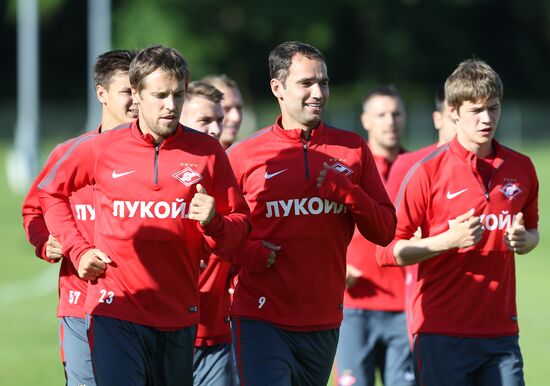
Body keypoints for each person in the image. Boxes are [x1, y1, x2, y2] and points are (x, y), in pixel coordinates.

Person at [37, 45, 250, 386]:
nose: (170, 105)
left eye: (177, 95)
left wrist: (215, 221)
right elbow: (49, 193)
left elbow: (239, 229)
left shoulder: (208, 152)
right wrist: (77, 250)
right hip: (115, 310)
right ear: (136, 94)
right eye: (160, 95)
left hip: (179, 315)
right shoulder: (101, 148)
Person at [226, 41, 396, 386]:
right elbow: (218, 235)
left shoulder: (352, 149)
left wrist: (349, 193)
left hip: (323, 320)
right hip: (259, 316)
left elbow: (385, 231)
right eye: (306, 84)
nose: (318, 93)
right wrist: (249, 253)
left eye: (324, 82)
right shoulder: (244, 155)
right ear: (278, 88)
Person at [377, 59, 539, 386]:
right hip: (440, 332)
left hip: (501, 333)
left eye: (494, 108)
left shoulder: (522, 168)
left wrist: (526, 241)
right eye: (476, 110)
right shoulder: (426, 171)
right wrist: (447, 241)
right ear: (453, 111)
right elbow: (387, 252)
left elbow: (533, 231)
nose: (487, 119)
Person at [21, 49, 138, 386]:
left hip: (139, 304)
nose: (134, 100)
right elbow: (34, 209)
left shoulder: (156, 159)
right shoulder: (68, 153)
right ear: (102, 93)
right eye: (126, 91)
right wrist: (47, 242)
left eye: (138, 90)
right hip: (78, 302)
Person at [336, 85, 414, 386]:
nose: (390, 121)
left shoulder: (419, 168)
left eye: (396, 114)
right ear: (366, 120)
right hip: (355, 305)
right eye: (381, 114)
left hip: (405, 307)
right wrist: (334, 267)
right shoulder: (347, 169)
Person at [383, 85, 457, 348]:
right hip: (419, 288)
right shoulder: (412, 165)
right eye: (454, 117)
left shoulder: (486, 168)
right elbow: (389, 232)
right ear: (439, 118)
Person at [179, 79, 235, 386]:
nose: (215, 129)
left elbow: (243, 233)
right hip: (164, 328)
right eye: (205, 121)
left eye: (219, 120)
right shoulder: (156, 175)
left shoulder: (229, 172)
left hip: (216, 331)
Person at [202, 74, 244, 148]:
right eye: (226, 109)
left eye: (239, 108)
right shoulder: (189, 157)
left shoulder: (246, 155)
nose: (236, 117)